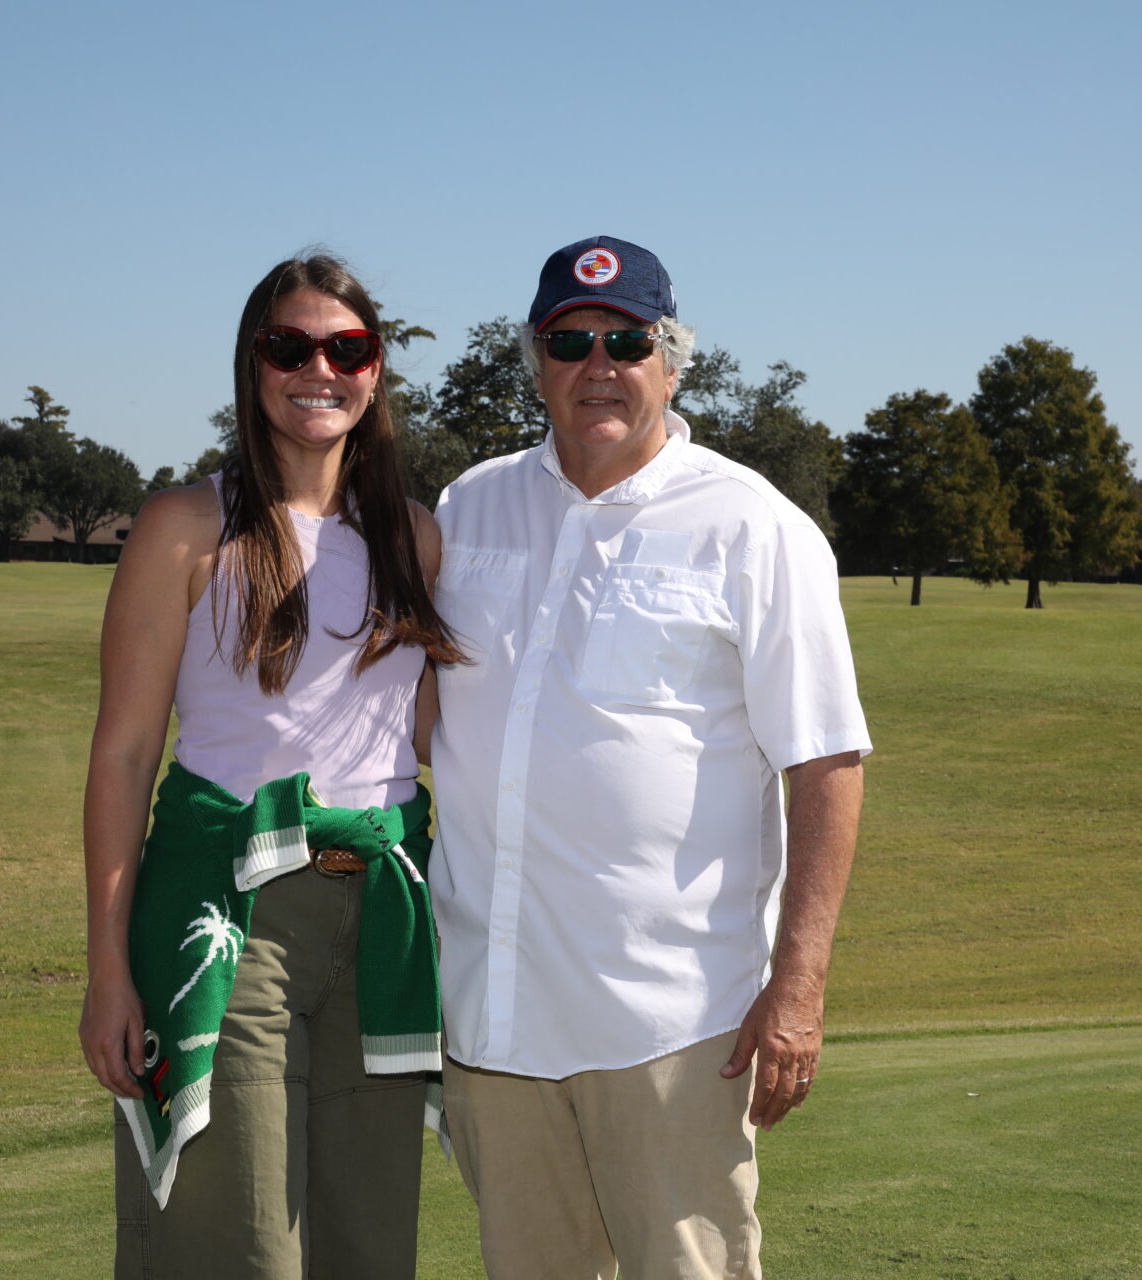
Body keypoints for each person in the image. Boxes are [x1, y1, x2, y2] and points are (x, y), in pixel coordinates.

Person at [428, 235, 871, 1280]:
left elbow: (826, 764)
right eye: (569, 341)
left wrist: (798, 987)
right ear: (536, 361)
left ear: (673, 362)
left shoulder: (755, 526)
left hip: (672, 1025)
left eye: (627, 341)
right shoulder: (467, 506)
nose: (599, 364)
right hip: (493, 1016)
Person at [78, 253, 459, 1279]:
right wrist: (108, 968)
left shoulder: (416, 537)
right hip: (228, 913)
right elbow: (124, 752)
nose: (318, 370)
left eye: (347, 348)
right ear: (252, 365)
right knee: (241, 1246)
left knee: (367, 1246)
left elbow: (437, 737)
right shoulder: (185, 526)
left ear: (376, 369)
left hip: (383, 918)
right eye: (289, 347)